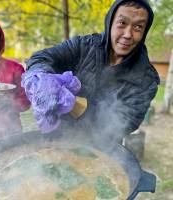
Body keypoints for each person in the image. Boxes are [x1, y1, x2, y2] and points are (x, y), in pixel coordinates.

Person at [21, 0, 160, 145]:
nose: (127, 34)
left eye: (138, 27)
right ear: (110, 22)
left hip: (103, 149)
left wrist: (74, 104)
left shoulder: (146, 80)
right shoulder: (83, 46)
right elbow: (41, 57)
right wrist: (40, 77)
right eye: (122, 23)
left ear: (144, 32)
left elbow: (121, 126)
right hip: (57, 138)